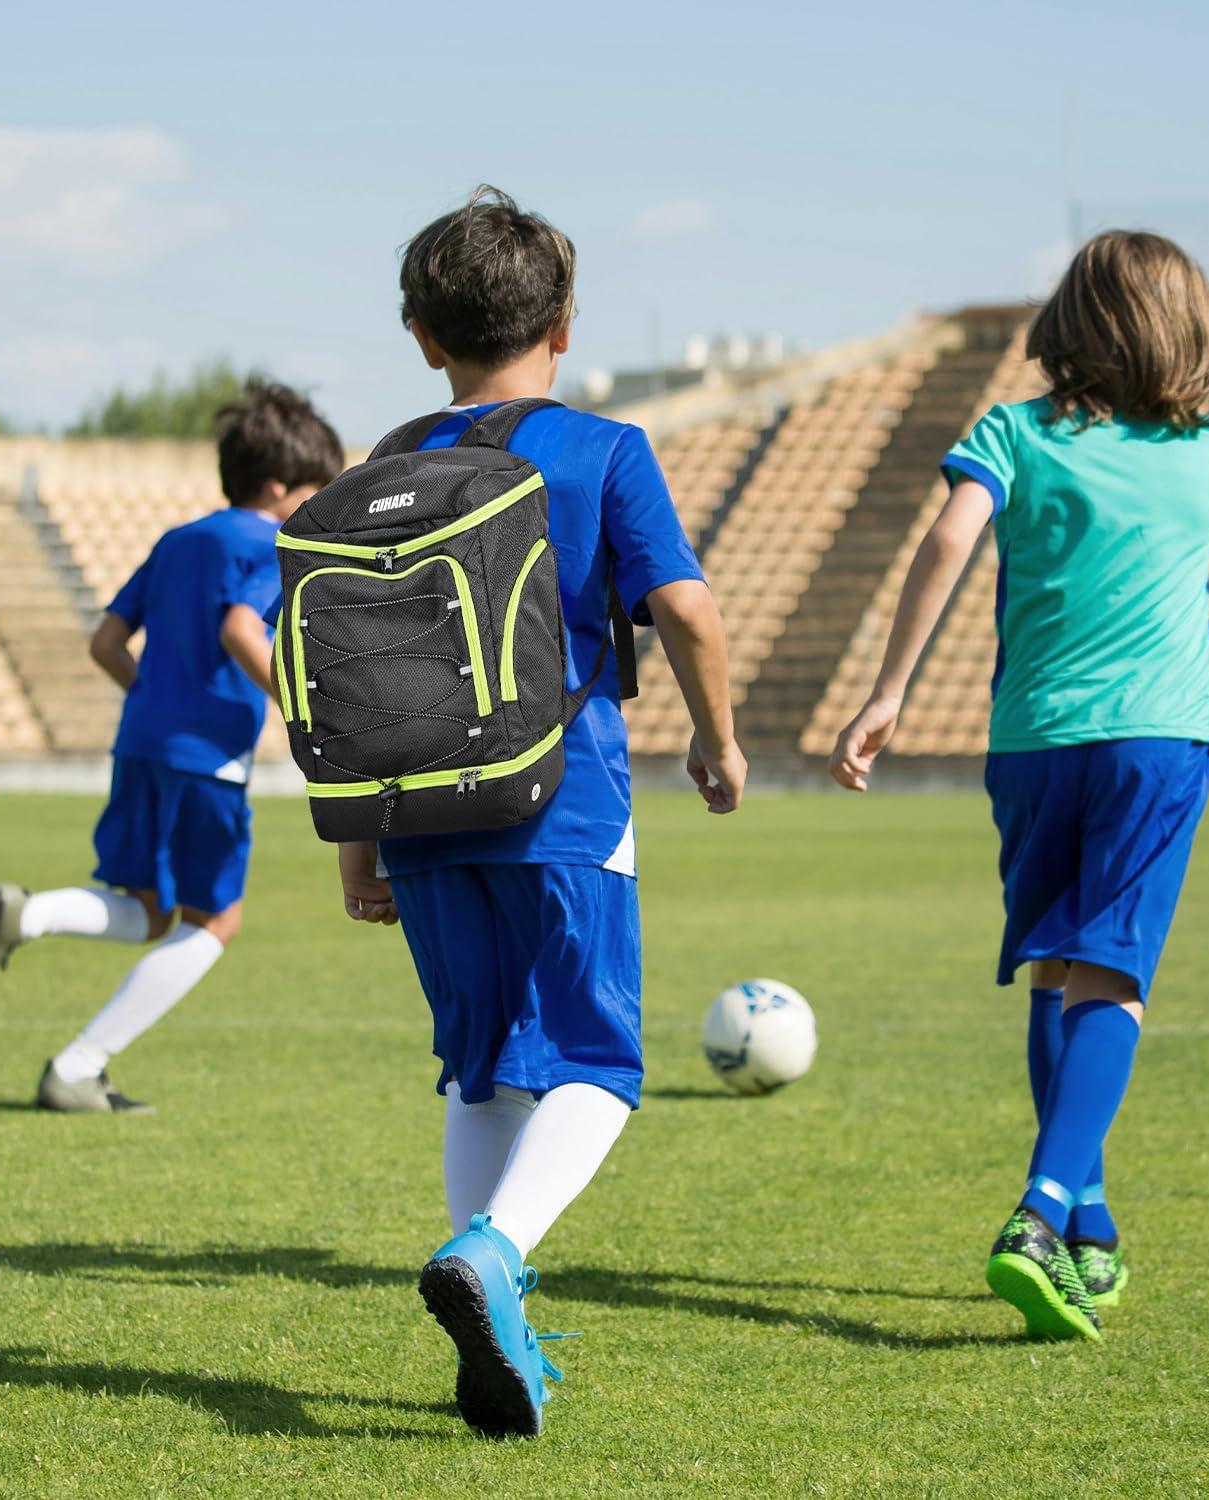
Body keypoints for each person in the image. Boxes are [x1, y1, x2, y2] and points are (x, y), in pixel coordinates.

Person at [338, 187, 744, 1437]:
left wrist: (360, 836)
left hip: (413, 814)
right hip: (563, 803)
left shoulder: (381, 466)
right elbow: (683, 608)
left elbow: (349, 663)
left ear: (420, 334)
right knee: (599, 1066)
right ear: (563, 324)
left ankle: (493, 1311)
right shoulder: (605, 451)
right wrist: (718, 742)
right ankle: (496, 1255)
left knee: (481, 1069)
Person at [830, 230, 1209, 1341]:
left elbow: (948, 542)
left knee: (1058, 971)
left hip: (1029, 743)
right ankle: (1043, 1208)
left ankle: (1091, 1223)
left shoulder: (1011, 431)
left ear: (1067, 328)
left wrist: (889, 690)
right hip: (1156, 738)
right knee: (1114, 973)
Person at [0, 381, 344, 1113]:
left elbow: (104, 642)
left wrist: (154, 699)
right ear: (282, 486)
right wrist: (298, 706)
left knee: (147, 909)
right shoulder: (273, 543)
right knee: (214, 921)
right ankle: (77, 1066)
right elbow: (240, 629)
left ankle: (22, 916)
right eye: (314, 492)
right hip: (208, 758)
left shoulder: (178, 539)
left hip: (140, 743)